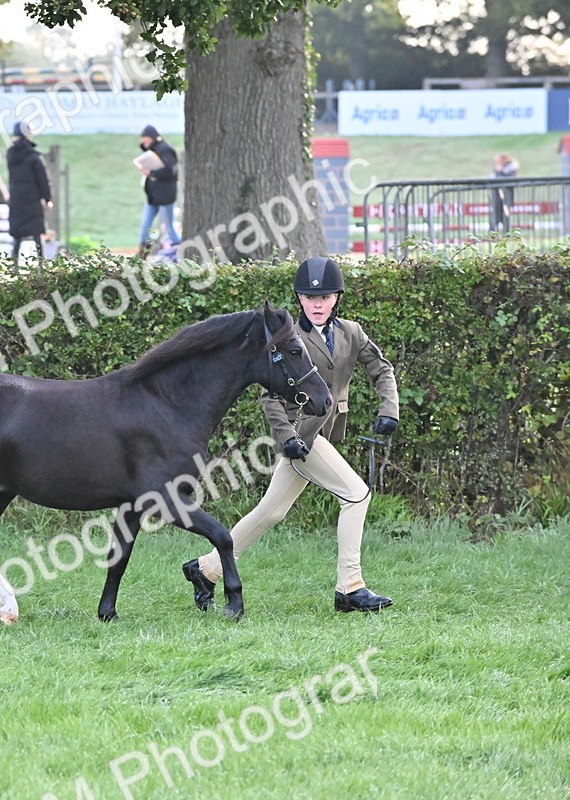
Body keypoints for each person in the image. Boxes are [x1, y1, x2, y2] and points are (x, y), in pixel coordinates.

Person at [182, 257, 401, 613]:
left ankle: (206, 569)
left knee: (271, 512)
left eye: (326, 297)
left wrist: (388, 410)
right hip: (301, 437)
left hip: (323, 434)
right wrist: (285, 437)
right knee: (356, 495)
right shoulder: (289, 338)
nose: (318, 304)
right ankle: (350, 586)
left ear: (337, 299)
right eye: (309, 297)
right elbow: (269, 397)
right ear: (299, 299)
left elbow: (382, 369)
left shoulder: (352, 332)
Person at [6, 121, 52, 271]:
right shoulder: (34, 156)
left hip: (16, 198)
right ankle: (40, 264)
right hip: (32, 198)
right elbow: (43, 180)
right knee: (37, 232)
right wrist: (47, 198)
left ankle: (14, 265)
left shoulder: (11, 154)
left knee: (17, 234)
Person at [136, 124, 178, 258]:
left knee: (169, 226)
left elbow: (170, 171)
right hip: (153, 196)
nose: (144, 142)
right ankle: (143, 251)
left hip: (165, 195)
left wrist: (152, 172)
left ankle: (177, 246)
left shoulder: (166, 150)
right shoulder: (155, 149)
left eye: (146, 139)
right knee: (145, 225)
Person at [490, 153, 519, 233]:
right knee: (496, 214)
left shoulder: (510, 169)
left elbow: (504, 180)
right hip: (497, 196)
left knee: (505, 214)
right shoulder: (501, 169)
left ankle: (505, 233)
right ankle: (493, 233)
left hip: (506, 196)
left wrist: (499, 172)